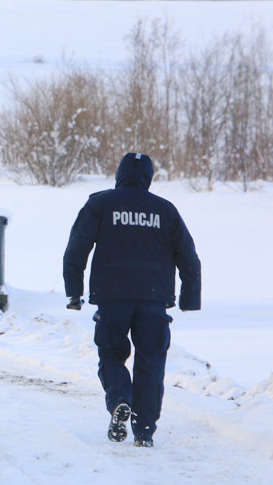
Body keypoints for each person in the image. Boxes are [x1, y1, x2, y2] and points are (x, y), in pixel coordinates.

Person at [63, 153, 201, 447]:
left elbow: (76, 249)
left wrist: (74, 292)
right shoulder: (166, 210)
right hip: (154, 300)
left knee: (111, 355)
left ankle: (120, 400)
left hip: (112, 299)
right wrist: (190, 296)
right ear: (148, 178)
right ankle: (144, 430)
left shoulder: (100, 203)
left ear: (119, 174)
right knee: (151, 362)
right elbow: (188, 257)